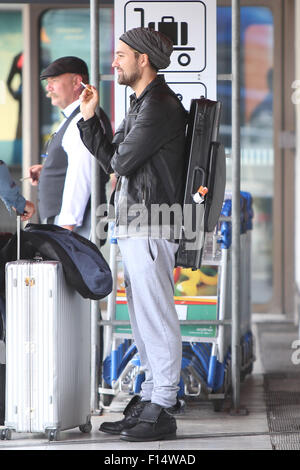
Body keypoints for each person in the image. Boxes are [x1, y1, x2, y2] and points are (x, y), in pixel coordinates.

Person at [78, 27, 187, 441]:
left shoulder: (158, 105)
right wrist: (93, 118)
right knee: (141, 319)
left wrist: (98, 125)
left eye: (121, 54)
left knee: (156, 317)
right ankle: (149, 397)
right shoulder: (143, 103)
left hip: (152, 223)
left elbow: (120, 162)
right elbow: (114, 157)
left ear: (144, 59)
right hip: (137, 224)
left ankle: (163, 404)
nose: (114, 62)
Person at [29, 56, 113, 239]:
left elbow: (80, 175)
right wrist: (49, 170)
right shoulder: (76, 118)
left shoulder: (82, 120)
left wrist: (66, 227)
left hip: (73, 228)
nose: (48, 88)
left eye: (54, 81)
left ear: (76, 82)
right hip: (71, 226)